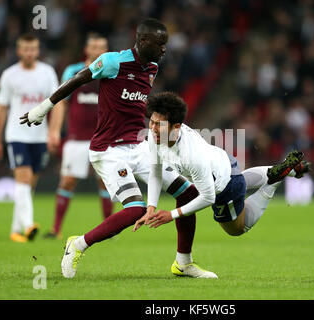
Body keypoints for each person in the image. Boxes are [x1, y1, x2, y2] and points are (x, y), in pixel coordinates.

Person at [20, 19, 216, 279]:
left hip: (140, 146)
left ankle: (183, 263)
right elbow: (78, 79)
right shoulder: (112, 61)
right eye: (161, 43)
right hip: (109, 150)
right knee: (135, 209)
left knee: (189, 194)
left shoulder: (153, 67)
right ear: (144, 41)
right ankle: (77, 244)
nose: (165, 49)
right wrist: (43, 109)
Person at [133, 92, 311, 248]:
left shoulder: (192, 156)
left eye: (159, 124)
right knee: (240, 179)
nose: (153, 128)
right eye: (152, 122)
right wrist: (151, 207)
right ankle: (285, 171)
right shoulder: (155, 136)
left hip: (225, 187)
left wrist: (171, 215)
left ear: (176, 126)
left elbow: (208, 197)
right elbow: (155, 172)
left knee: (238, 229)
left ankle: (273, 182)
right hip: (223, 161)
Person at [43, 33, 113, 240]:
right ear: (87, 49)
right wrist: (54, 131)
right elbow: (60, 103)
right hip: (76, 138)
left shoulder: (111, 72)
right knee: (67, 181)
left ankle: (109, 230)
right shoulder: (73, 71)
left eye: (102, 47)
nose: (98, 50)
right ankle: (56, 229)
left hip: (104, 138)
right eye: (94, 47)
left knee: (106, 183)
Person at [0, 33, 59, 242]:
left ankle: (15, 229)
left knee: (29, 184)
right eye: (25, 49)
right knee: (24, 178)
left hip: (39, 137)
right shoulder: (10, 75)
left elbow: (56, 104)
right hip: (16, 135)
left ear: (38, 51)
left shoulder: (47, 73)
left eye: (33, 49)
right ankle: (29, 226)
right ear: (19, 51)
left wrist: (53, 131)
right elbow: (1, 109)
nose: (29, 53)